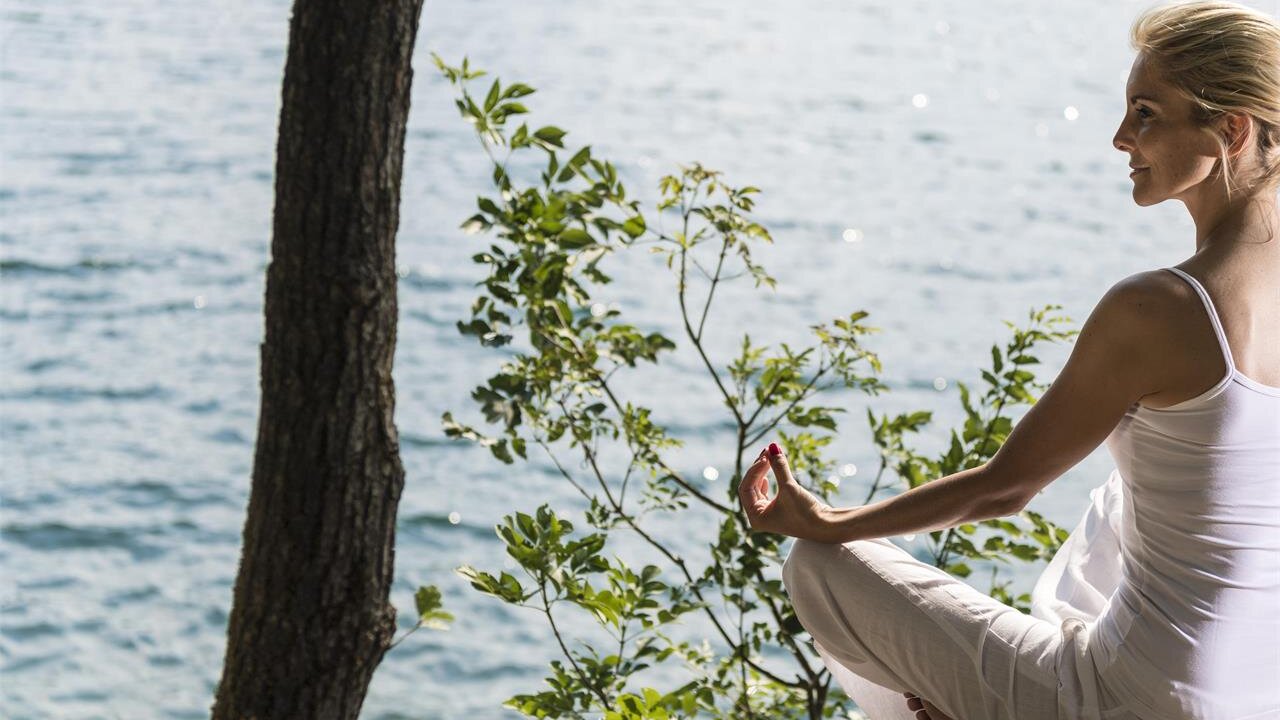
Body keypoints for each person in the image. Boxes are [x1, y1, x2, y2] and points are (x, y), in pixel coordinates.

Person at [736, 2, 1280, 718]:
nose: (1120, 137)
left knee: (820, 568)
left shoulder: (1161, 307)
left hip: (1128, 700)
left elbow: (1004, 489)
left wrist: (828, 521)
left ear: (1231, 130)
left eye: (1146, 114)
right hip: (1257, 695)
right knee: (1120, 500)